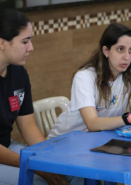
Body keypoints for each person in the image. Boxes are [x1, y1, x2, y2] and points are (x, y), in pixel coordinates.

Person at [0, 9, 82, 185]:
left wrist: (47, 160)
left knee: (71, 172)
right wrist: (35, 166)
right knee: (37, 180)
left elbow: (28, 125)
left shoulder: (19, 73)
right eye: (25, 41)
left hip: (8, 147)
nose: (31, 48)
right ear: (2, 42)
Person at [48, 23, 131, 139]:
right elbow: (92, 124)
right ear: (106, 51)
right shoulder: (84, 77)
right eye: (120, 49)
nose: (127, 57)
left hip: (97, 139)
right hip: (65, 140)